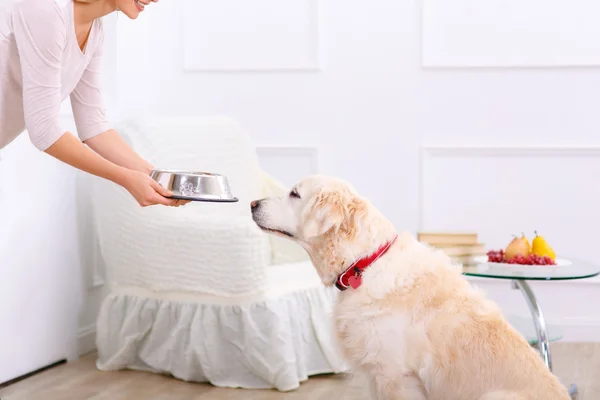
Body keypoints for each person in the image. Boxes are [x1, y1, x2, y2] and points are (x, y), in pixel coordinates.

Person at [0, 0, 189, 207]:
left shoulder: (96, 30)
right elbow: (43, 129)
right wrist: (126, 178)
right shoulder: (44, 8)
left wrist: (158, 178)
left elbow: (93, 125)